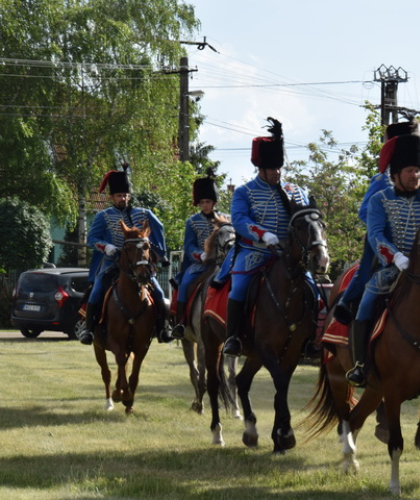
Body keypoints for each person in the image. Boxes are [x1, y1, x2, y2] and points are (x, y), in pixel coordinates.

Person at [347, 132, 420, 387]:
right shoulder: (380, 200)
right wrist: (395, 257)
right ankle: (360, 365)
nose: (416, 175)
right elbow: (375, 234)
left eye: (417, 170)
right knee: (366, 304)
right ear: (396, 174)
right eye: (410, 170)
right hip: (393, 268)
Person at [332, 119, 420, 326]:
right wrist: (389, 243)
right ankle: (348, 302)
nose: (414, 175)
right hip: (388, 242)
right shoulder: (382, 181)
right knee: (366, 269)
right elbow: (366, 213)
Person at [222, 118, 311, 356]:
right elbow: (239, 220)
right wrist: (263, 234)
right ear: (260, 168)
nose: (277, 172)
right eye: (272, 168)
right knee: (238, 289)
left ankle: (310, 337)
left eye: (279, 167)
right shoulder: (245, 192)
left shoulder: (295, 190)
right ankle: (233, 338)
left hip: (289, 255)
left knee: (312, 288)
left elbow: (305, 218)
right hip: (256, 252)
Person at [79, 166, 173, 345]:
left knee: (159, 292)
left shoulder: (144, 213)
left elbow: (158, 229)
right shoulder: (103, 216)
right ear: (111, 197)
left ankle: (163, 328)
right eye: (118, 195)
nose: (122, 198)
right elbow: (92, 238)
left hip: (138, 263)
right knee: (97, 291)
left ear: (129, 196)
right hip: (111, 262)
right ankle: (88, 330)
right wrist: (106, 247)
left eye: (125, 195)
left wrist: (158, 253)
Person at [171, 171, 228, 339]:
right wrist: (199, 255)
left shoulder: (227, 219)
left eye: (208, 202)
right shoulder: (192, 221)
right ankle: (180, 323)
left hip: (222, 264)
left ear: (214, 202)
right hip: (199, 264)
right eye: (202, 202)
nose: (205, 205)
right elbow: (188, 245)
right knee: (184, 284)